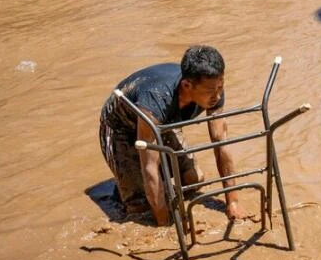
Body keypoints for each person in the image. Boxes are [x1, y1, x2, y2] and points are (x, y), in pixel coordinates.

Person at [99, 46, 245, 226]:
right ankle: (128, 190)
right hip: (121, 127)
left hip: (165, 120)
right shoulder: (156, 99)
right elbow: (149, 165)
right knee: (140, 208)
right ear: (187, 85)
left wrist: (233, 201)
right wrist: (165, 223)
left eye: (221, 87)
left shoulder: (214, 90)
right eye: (210, 91)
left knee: (194, 179)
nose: (217, 95)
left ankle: (144, 188)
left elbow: (221, 143)